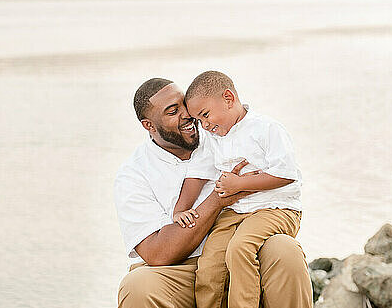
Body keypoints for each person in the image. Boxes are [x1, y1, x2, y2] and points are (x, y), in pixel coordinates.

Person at [114, 78, 312, 308]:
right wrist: (217, 200)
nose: (188, 115)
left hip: (242, 249)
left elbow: (283, 174)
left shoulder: (219, 130)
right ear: (149, 125)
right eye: (173, 111)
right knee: (138, 285)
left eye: (185, 105)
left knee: (284, 251)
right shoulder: (133, 174)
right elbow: (157, 254)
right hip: (179, 270)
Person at [173, 71, 302, 308]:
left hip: (274, 208)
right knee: (210, 262)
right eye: (199, 121)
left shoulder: (266, 129)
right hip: (235, 212)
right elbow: (196, 174)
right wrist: (180, 209)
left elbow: (286, 174)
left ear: (229, 99)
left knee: (239, 249)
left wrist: (239, 184)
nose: (204, 125)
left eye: (205, 115)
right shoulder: (213, 138)